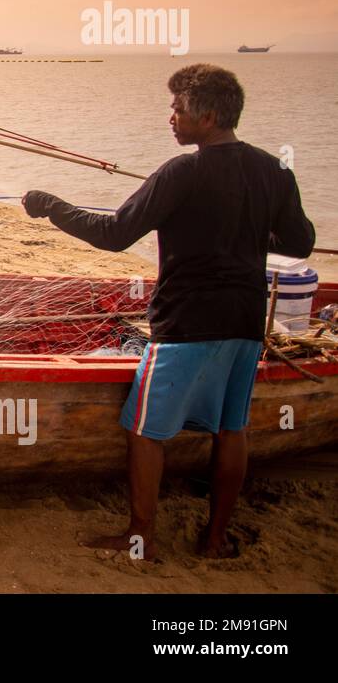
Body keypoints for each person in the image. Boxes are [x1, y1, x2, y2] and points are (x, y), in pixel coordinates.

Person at [22, 64, 314, 559]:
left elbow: (114, 233)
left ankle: (140, 537)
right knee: (231, 427)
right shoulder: (274, 171)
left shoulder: (182, 172)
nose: (170, 118)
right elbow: (301, 241)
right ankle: (215, 539)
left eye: (178, 109)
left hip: (185, 324)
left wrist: (51, 205)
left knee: (145, 431)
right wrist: (254, 226)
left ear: (210, 115)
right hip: (246, 322)